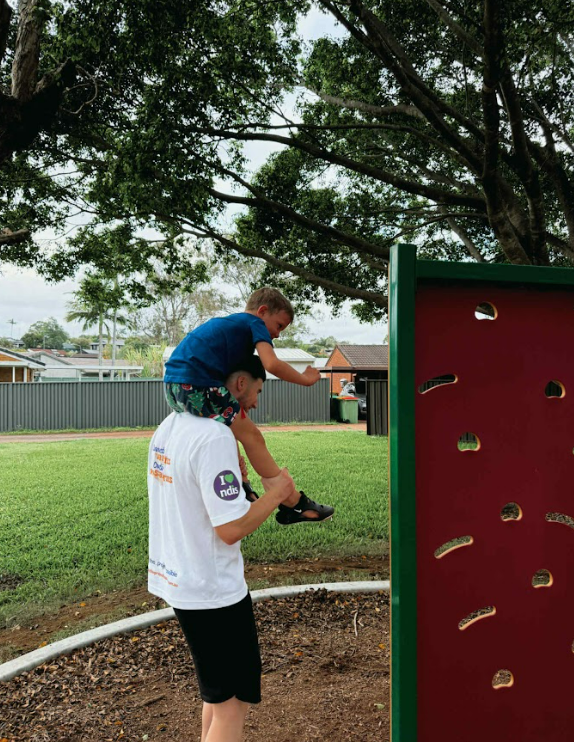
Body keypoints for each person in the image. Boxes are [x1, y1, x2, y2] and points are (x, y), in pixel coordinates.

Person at [148, 356, 296, 742]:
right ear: (240, 382)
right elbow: (231, 529)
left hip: (183, 580)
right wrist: (277, 493)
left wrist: (240, 488)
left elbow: (197, 498)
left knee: (216, 695)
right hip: (213, 590)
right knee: (233, 703)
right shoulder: (214, 436)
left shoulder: (170, 426)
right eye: (258, 391)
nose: (257, 404)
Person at [164, 286, 334, 525]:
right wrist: (305, 379)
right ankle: (294, 503)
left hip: (173, 387)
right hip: (196, 385)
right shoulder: (253, 323)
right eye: (279, 326)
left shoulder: (228, 328)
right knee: (253, 436)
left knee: (231, 427)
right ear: (262, 311)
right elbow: (271, 364)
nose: (277, 335)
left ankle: (244, 486)